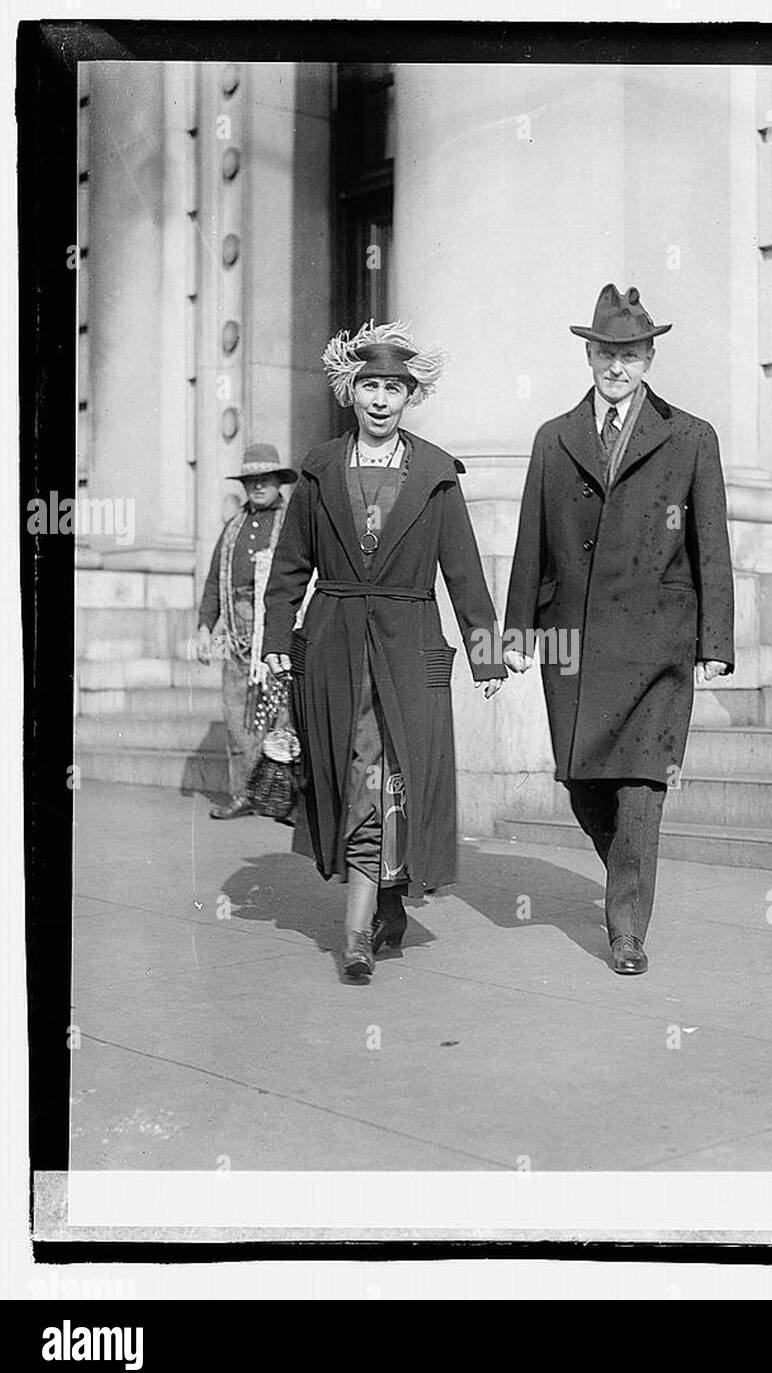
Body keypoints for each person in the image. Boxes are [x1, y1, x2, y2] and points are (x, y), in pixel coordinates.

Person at [262, 321, 506, 980]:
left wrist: (487, 655)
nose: (379, 399)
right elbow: (289, 568)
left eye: (392, 388)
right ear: (349, 390)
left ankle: (371, 915)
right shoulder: (318, 471)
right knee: (359, 773)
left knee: (394, 774)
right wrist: (275, 641)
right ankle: (365, 919)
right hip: (335, 645)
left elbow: (463, 573)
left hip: (408, 645)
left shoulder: (433, 474)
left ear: (409, 395)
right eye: (368, 384)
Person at [503, 284, 735, 975]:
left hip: (656, 642)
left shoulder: (691, 436)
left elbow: (711, 545)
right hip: (571, 642)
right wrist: (515, 632)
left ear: (649, 356)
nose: (617, 365)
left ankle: (626, 925)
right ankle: (625, 879)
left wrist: (715, 643)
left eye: (630, 353)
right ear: (588, 354)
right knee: (580, 781)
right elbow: (530, 540)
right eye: (606, 351)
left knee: (640, 784)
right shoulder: (554, 437)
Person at [197, 443, 299, 819]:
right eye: (252, 480)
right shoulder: (233, 529)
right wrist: (206, 628)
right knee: (239, 712)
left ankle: (284, 799)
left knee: (283, 713)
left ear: (278, 484)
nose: (258, 486)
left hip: (277, 625)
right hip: (238, 631)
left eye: (265, 480)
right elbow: (213, 582)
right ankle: (244, 793)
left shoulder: (291, 523)